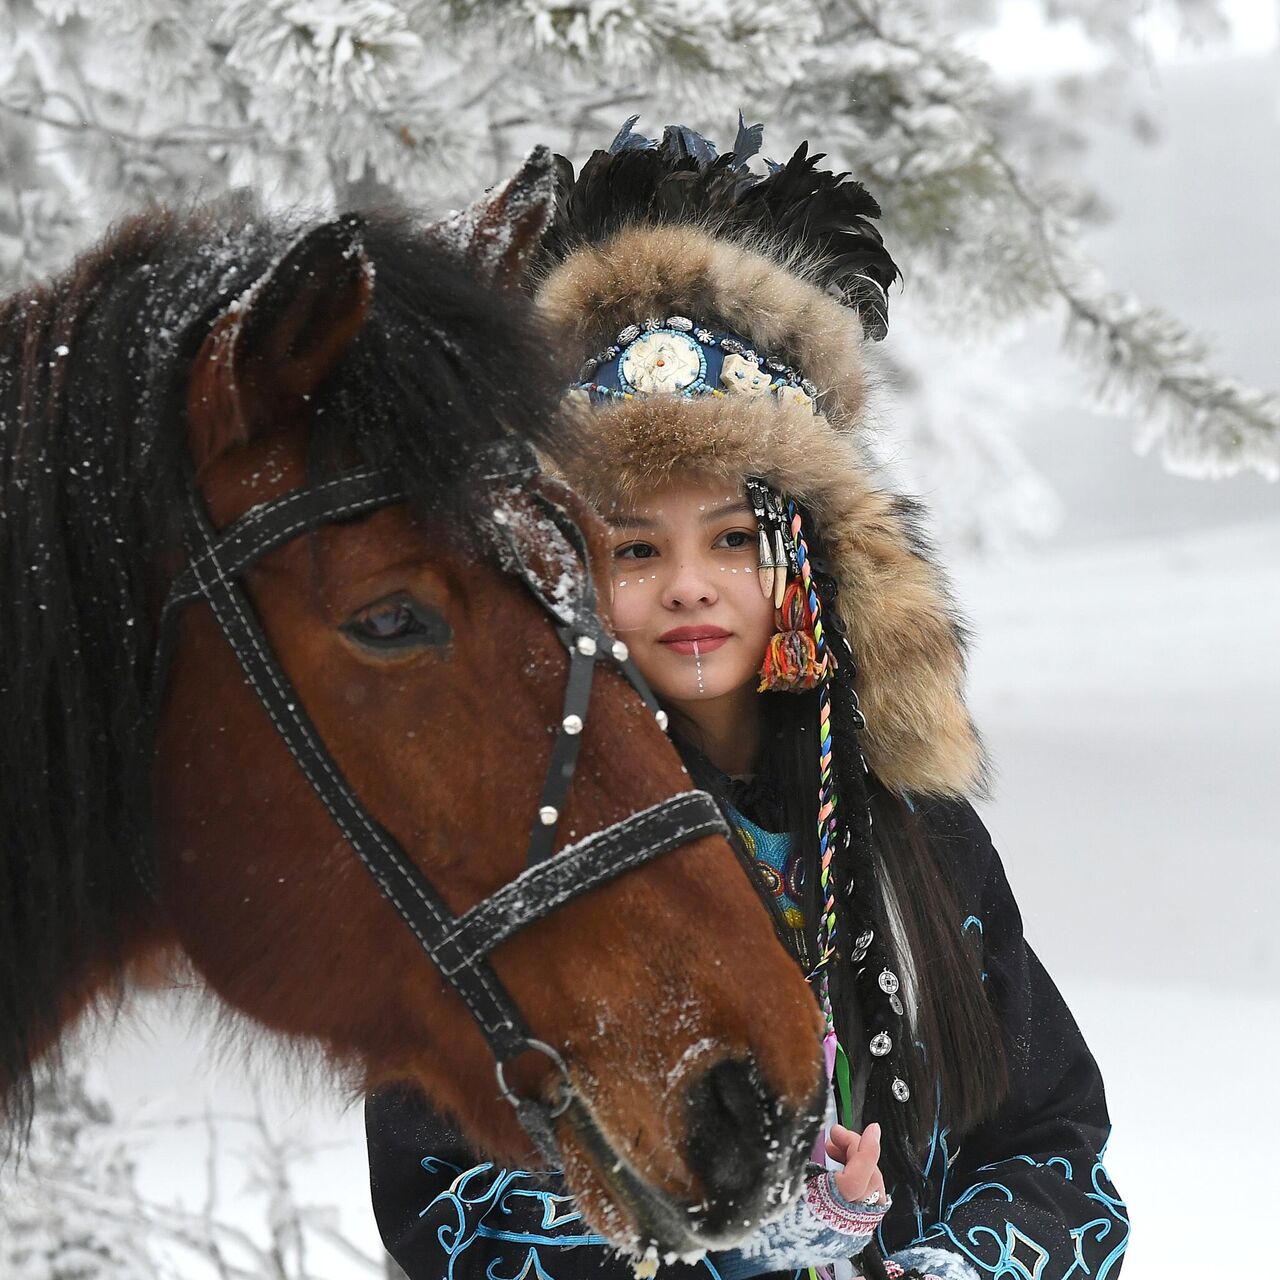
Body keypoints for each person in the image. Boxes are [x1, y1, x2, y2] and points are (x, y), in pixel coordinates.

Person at [365, 120, 1128, 1280]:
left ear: (808, 561)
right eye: (633, 548)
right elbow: (447, 1202)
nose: (687, 585)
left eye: (733, 536)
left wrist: (948, 1269)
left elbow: (1056, 1151)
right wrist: (743, 1241)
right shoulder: (500, 861)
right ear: (567, 574)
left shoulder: (916, 840)